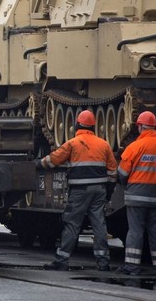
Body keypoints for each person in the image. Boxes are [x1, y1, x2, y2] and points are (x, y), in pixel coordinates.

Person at [37, 109, 117, 271]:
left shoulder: (73, 143)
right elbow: (113, 172)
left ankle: (62, 260)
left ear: (77, 125)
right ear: (94, 126)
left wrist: (38, 163)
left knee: (72, 224)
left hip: (80, 191)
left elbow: (53, 160)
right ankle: (103, 261)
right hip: (99, 190)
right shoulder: (104, 144)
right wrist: (108, 190)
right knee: (99, 224)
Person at [116, 111, 156, 276]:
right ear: (154, 127)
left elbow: (123, 173)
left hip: (136, 197)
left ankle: (132, 267)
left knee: (135, 231)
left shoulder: (134, 147)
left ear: (140, 126)